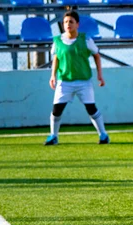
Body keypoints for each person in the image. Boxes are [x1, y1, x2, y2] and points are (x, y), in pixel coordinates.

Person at [45, 11, 109, 146]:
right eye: (65, 22)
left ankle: (103, 135)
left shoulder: (86, 40)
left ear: (77, 24)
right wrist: (53, 76)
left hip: (83, 81)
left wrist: (100, 75)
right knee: (57, 109)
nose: (68, 24)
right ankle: (53, 136)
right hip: (64, 81)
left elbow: (97, 55)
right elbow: (56, 58)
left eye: (71, 22)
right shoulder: (57, 41)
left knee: (91, 108)